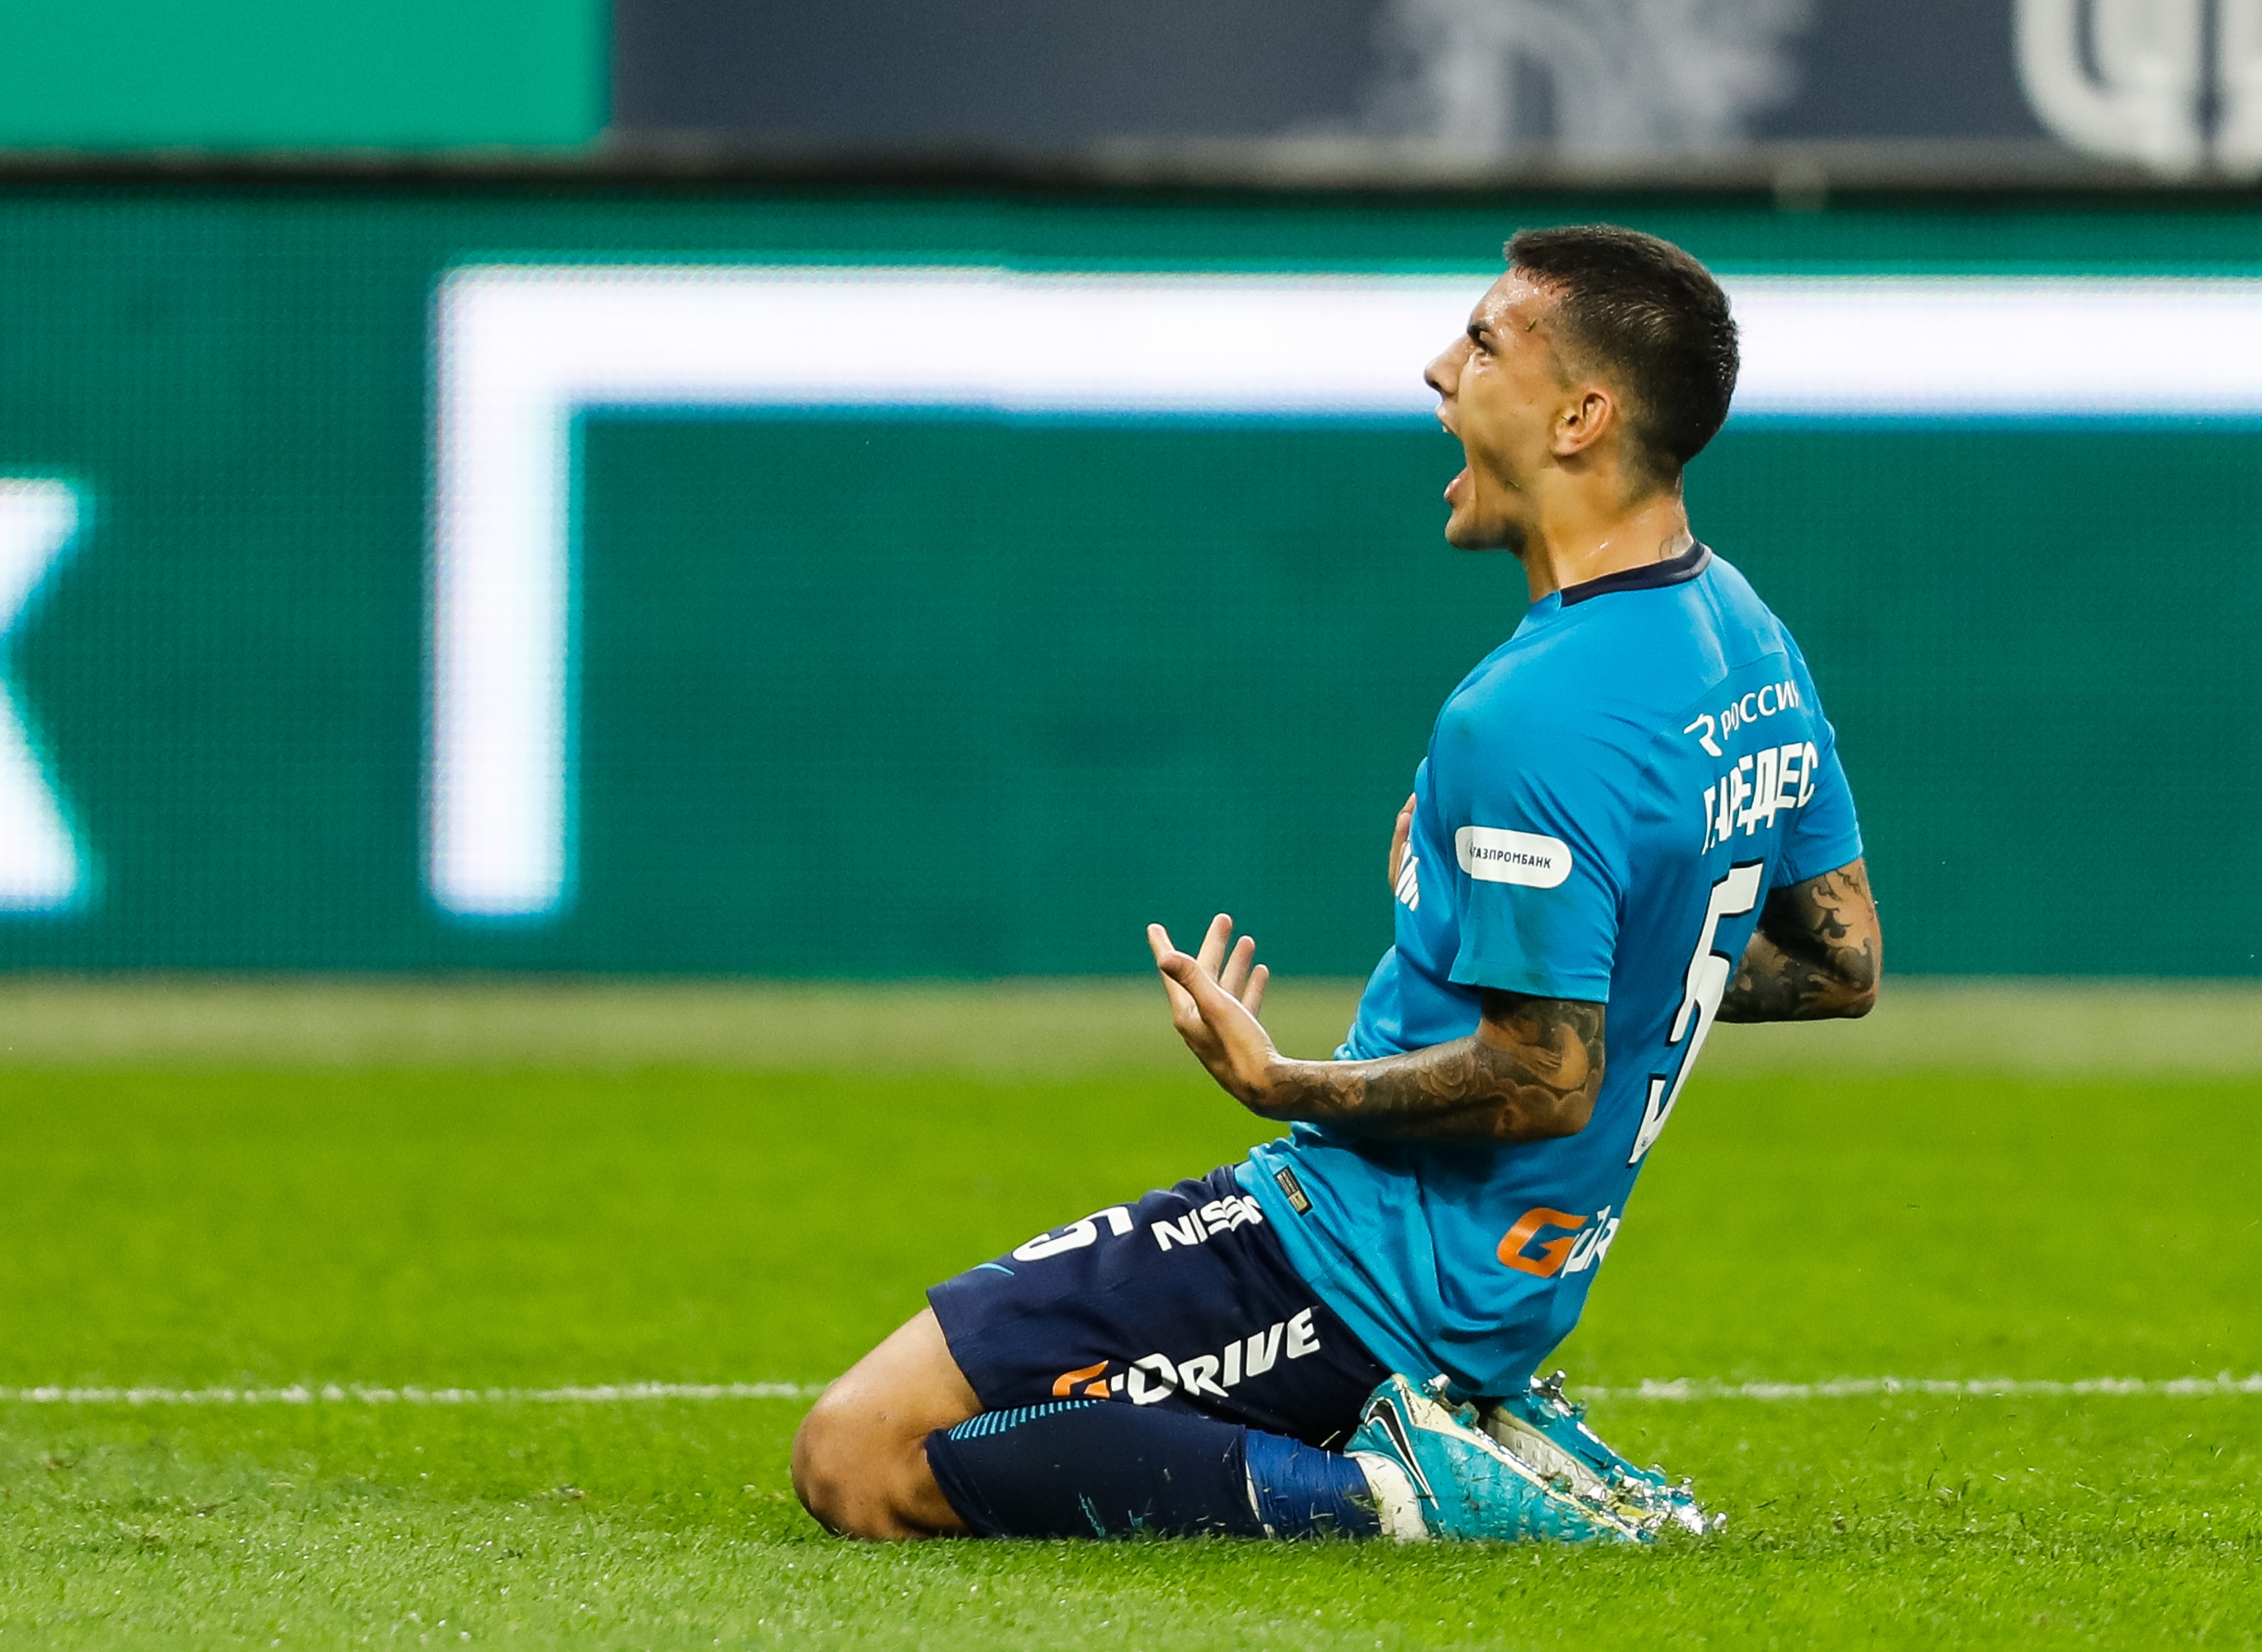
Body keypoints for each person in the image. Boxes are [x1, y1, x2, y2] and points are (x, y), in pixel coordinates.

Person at [790, 223, 1882, 1544]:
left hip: (1359, 1263)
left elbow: (1547, 1076)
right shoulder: (1749, 639)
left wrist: (1282, 1081)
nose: (1439, 371)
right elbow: (1839, 964)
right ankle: (1467, 1423)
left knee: (859, 1456)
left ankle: (1414, 1494)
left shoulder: (1536, 712)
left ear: (1583, 414)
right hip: (1496, 1284)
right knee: (964, 1431)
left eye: (1482, 343)